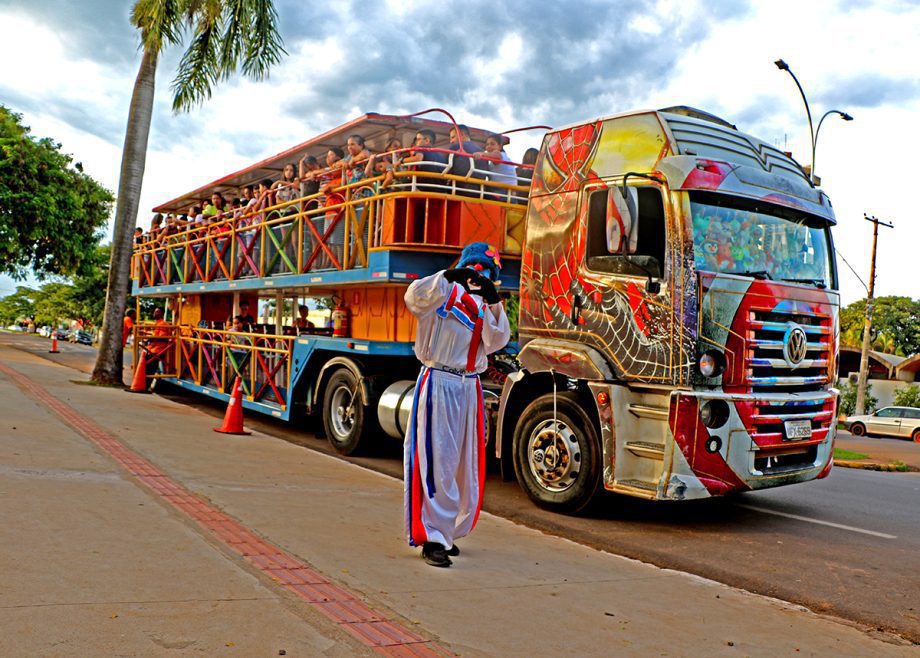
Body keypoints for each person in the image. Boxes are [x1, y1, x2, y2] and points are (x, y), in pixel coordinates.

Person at [403, 242, 510, 568]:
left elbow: (497, 340)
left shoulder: (486, 306)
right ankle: (432, 537)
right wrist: (449, 275)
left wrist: (492, 301)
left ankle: (447, 532)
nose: (478, 276)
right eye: (474, 269)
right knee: (438, 462)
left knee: (464, 465)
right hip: (439, 381)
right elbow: (413, 298)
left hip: (469, 388)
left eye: (485, 271)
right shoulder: (441, 290)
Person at [475, 133, 517, 200]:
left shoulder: (500, 155)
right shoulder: (492, 162)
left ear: (500, 146)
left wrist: (481, 154)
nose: (489, 146)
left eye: (492, 144)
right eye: (487, 144)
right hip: (503, 190)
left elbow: (497, 155)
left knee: (477, 194)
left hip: (505, 192)